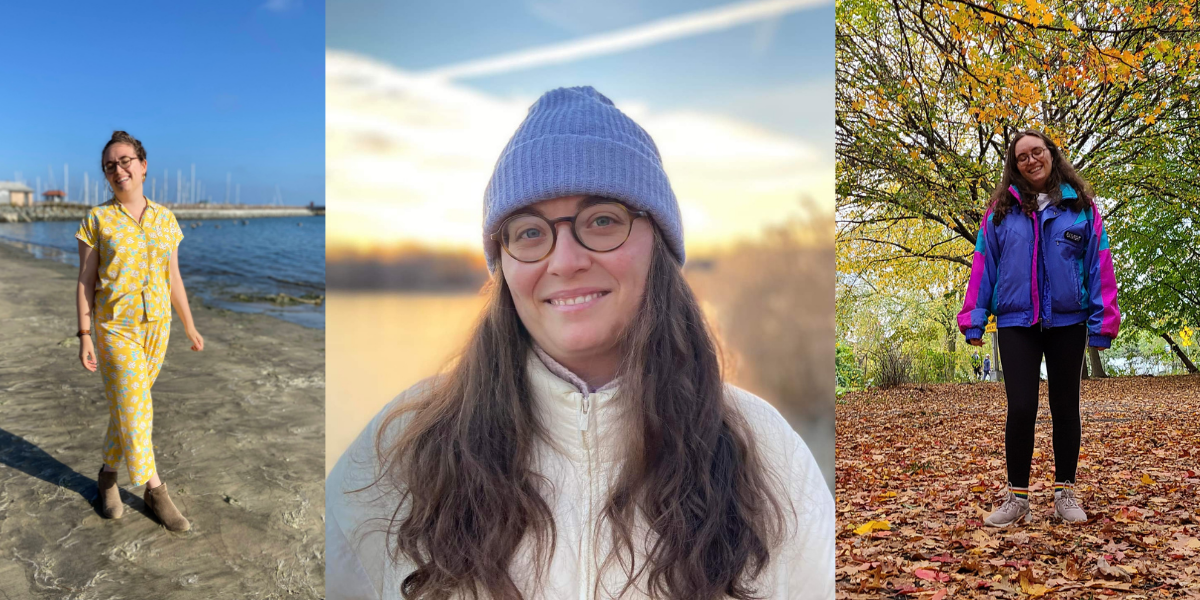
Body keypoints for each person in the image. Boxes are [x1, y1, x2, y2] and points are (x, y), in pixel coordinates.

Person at [326, 87, 834, 599]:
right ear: (503, 265)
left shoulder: (766, 451)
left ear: (657, 244)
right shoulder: (399, 454)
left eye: (602, 221)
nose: (565, 261)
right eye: (529, 232)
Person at [958, 129, 1120, 527]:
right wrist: (974, 316)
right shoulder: (1000, 211)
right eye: (1022, 157)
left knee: (1065, 406)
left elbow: (1098, 264)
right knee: (1021, 408)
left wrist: (1103, 321)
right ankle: (1017, 499)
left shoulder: (1081, 208)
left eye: (1037, 151)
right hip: (1017, 322)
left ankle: (1065, 493)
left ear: (1051, 153)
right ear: (1014, 166)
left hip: (1068, 320)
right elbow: (984, 264)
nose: (1031, 160)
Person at [76, 131, 204, 532]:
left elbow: (174, 278)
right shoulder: (97, 220)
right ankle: (155, 490)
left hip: (157, 329)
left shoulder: (166, 219)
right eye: (109, 165)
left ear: (143, 165)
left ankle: (107, 476)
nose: (118, 169)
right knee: (137, 408)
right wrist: (84, 334)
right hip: (114, 328)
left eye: (125, 160)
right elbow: (85, 281)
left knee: (129, 407)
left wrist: (189, 324)